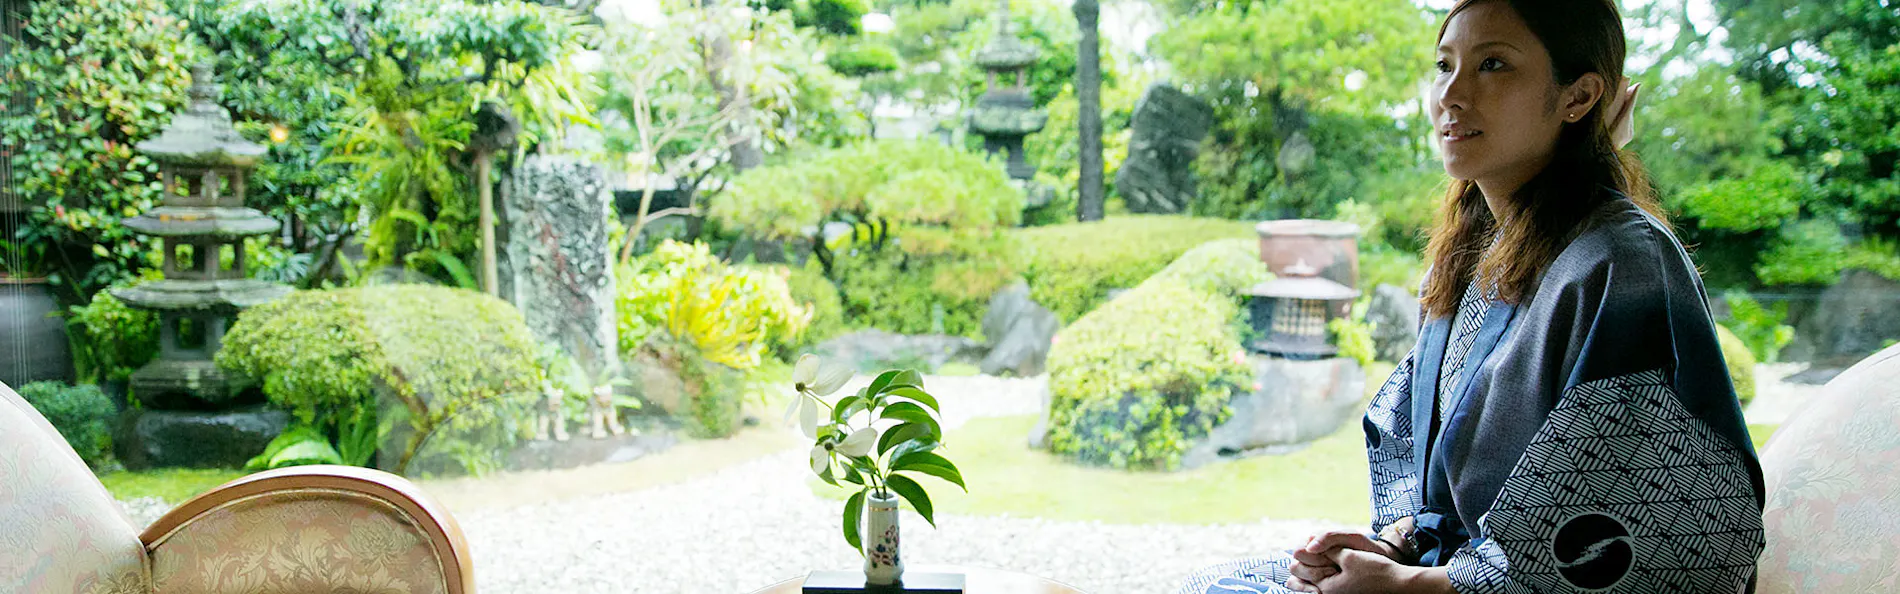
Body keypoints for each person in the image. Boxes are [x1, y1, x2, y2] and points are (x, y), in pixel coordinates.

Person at [1178, 0, 1766, 592]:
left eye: (1492, 65)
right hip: (1444, 570)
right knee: (1212, 581)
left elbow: (1644, 523)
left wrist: (1410, 587)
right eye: (1444, 65)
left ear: (1578, 97)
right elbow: (1419, 443)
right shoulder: (1474, 249)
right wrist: (1393, 542)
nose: (1451, 95)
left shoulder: (1621, 262)